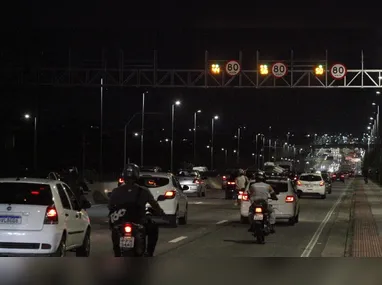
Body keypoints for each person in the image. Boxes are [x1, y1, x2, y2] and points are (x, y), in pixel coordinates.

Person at [108, 163, 165, 257]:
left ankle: (117, 254)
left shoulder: (116, 191)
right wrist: (160, 212)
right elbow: (154, 204)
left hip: (121, 222)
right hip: (138, 221)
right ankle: (149, 254)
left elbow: (110, 206)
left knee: (114, 230)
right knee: (153, 228)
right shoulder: (143, 190)